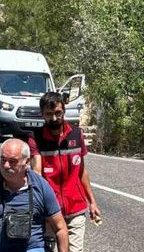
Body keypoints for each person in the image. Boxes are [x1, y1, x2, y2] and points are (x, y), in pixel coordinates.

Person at [0, 139, 69, 252]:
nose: (6, 165)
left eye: (12, 161)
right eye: (3, 160)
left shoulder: (41, 186)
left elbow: (60, 228)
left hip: (31, 248)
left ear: (27, 163)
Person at [28, 92, 100, 252]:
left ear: (64, 111)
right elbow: (37, 172)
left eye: (58, 113)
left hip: (76, 208)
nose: (54, 118)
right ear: (42, 114)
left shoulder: (76, 134)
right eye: (49, 114)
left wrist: (92, 202)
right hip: (50, 212)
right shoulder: (36, 138)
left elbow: (81, 171)